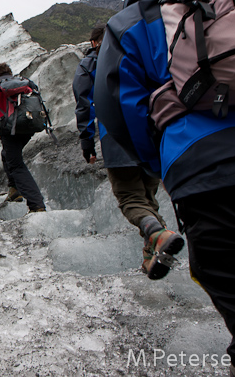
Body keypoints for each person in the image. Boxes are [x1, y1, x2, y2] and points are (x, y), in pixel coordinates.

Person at [94, 0, 235, 376]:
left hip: (208, 178)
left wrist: (167, 164)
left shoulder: (133, 21)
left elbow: (118, 111)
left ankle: (153, 231)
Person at [72, 24, 181, 280]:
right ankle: (150, 256)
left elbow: (84, 103)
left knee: (130, 198)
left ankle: (158, 235)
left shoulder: (90, 63)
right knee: (148, 195)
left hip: (118, 138)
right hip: (153, 134)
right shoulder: (137, 49)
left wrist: (87, 142)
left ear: (94, 42)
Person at [0, 62, 46, 212]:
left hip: (9, 131)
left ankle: (36, 204)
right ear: (9, 73)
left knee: (16, 165)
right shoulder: (25, 83)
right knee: (8, 155)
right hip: (29, 127)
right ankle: (14, 191)